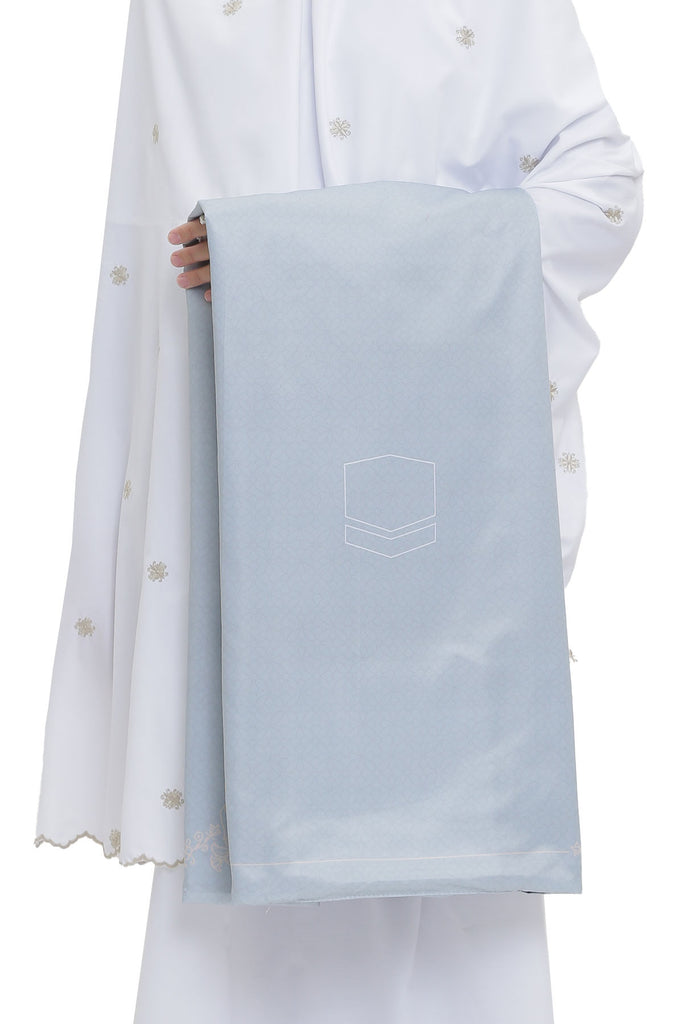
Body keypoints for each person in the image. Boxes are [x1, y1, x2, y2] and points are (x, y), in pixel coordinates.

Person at [34, 2, 643, 1021]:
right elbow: (151, 261)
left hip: (441, 525)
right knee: (236, 908)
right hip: (238, 527)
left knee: (452, 917)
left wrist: (303, 257)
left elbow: (602, 190)